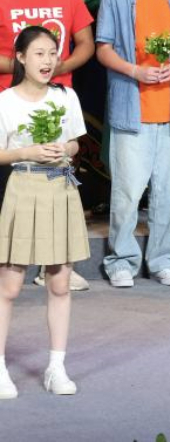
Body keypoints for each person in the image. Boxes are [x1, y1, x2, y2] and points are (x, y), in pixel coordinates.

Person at [94, 0, 170, 288]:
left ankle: (163, 259)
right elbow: (103, 48)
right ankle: (121, 259)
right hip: (131, 104)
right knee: (128, 189)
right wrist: (135, 71)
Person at [0, 24, 89, 398]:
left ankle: (57, 366)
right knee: (10, 284)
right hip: (21, 187)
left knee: (59, 281)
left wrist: (63, 150)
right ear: (20, 57)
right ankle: (0, 368)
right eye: (39, 53)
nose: (48, 61)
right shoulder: (5, 101)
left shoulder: (65, 97)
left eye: (53, 53)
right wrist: (27, 153)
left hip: (60, 189)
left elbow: (75, 144)